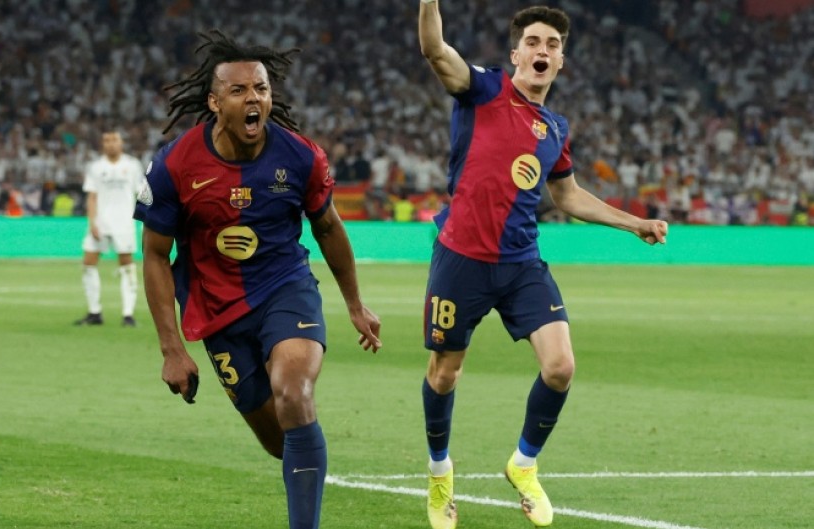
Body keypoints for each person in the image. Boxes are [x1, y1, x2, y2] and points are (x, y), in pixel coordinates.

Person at [417, 4, 669, 528]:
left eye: (552, 45)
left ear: (560, 63)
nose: (543, 51)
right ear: (516, 54)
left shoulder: (554, 127)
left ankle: (524, 464)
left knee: (560, 367)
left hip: (521, 264)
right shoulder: (483, 89)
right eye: (533, 42)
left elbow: (569, 197)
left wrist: (634, 223)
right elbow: (435, 50)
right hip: (460, 258)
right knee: (444, 374)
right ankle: (441, 473)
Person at [134, 31, 382, 529]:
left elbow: (328, 227)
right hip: (217, 313)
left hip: (284, 291)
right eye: (240, 90)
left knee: (294, 391)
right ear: (214, 101)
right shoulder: (173, 166)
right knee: (280, 441)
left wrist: (355, 304)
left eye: (261, 89)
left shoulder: (300, 158)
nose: (254, 99)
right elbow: (157, 256)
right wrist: (171, 348)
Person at [74, 130, 145, 327]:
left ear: (121, 143)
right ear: (102, 144)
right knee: (88, 263)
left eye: (114, 140)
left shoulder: (132, 165)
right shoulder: (96, 167)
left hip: (124, 222)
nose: (110, 144)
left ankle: (128, 314)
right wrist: (92, 222)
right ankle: (94, 312)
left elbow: (140, 192)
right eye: (106, 140)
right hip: (101, 222)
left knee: (127, 265)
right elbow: (92, 196)